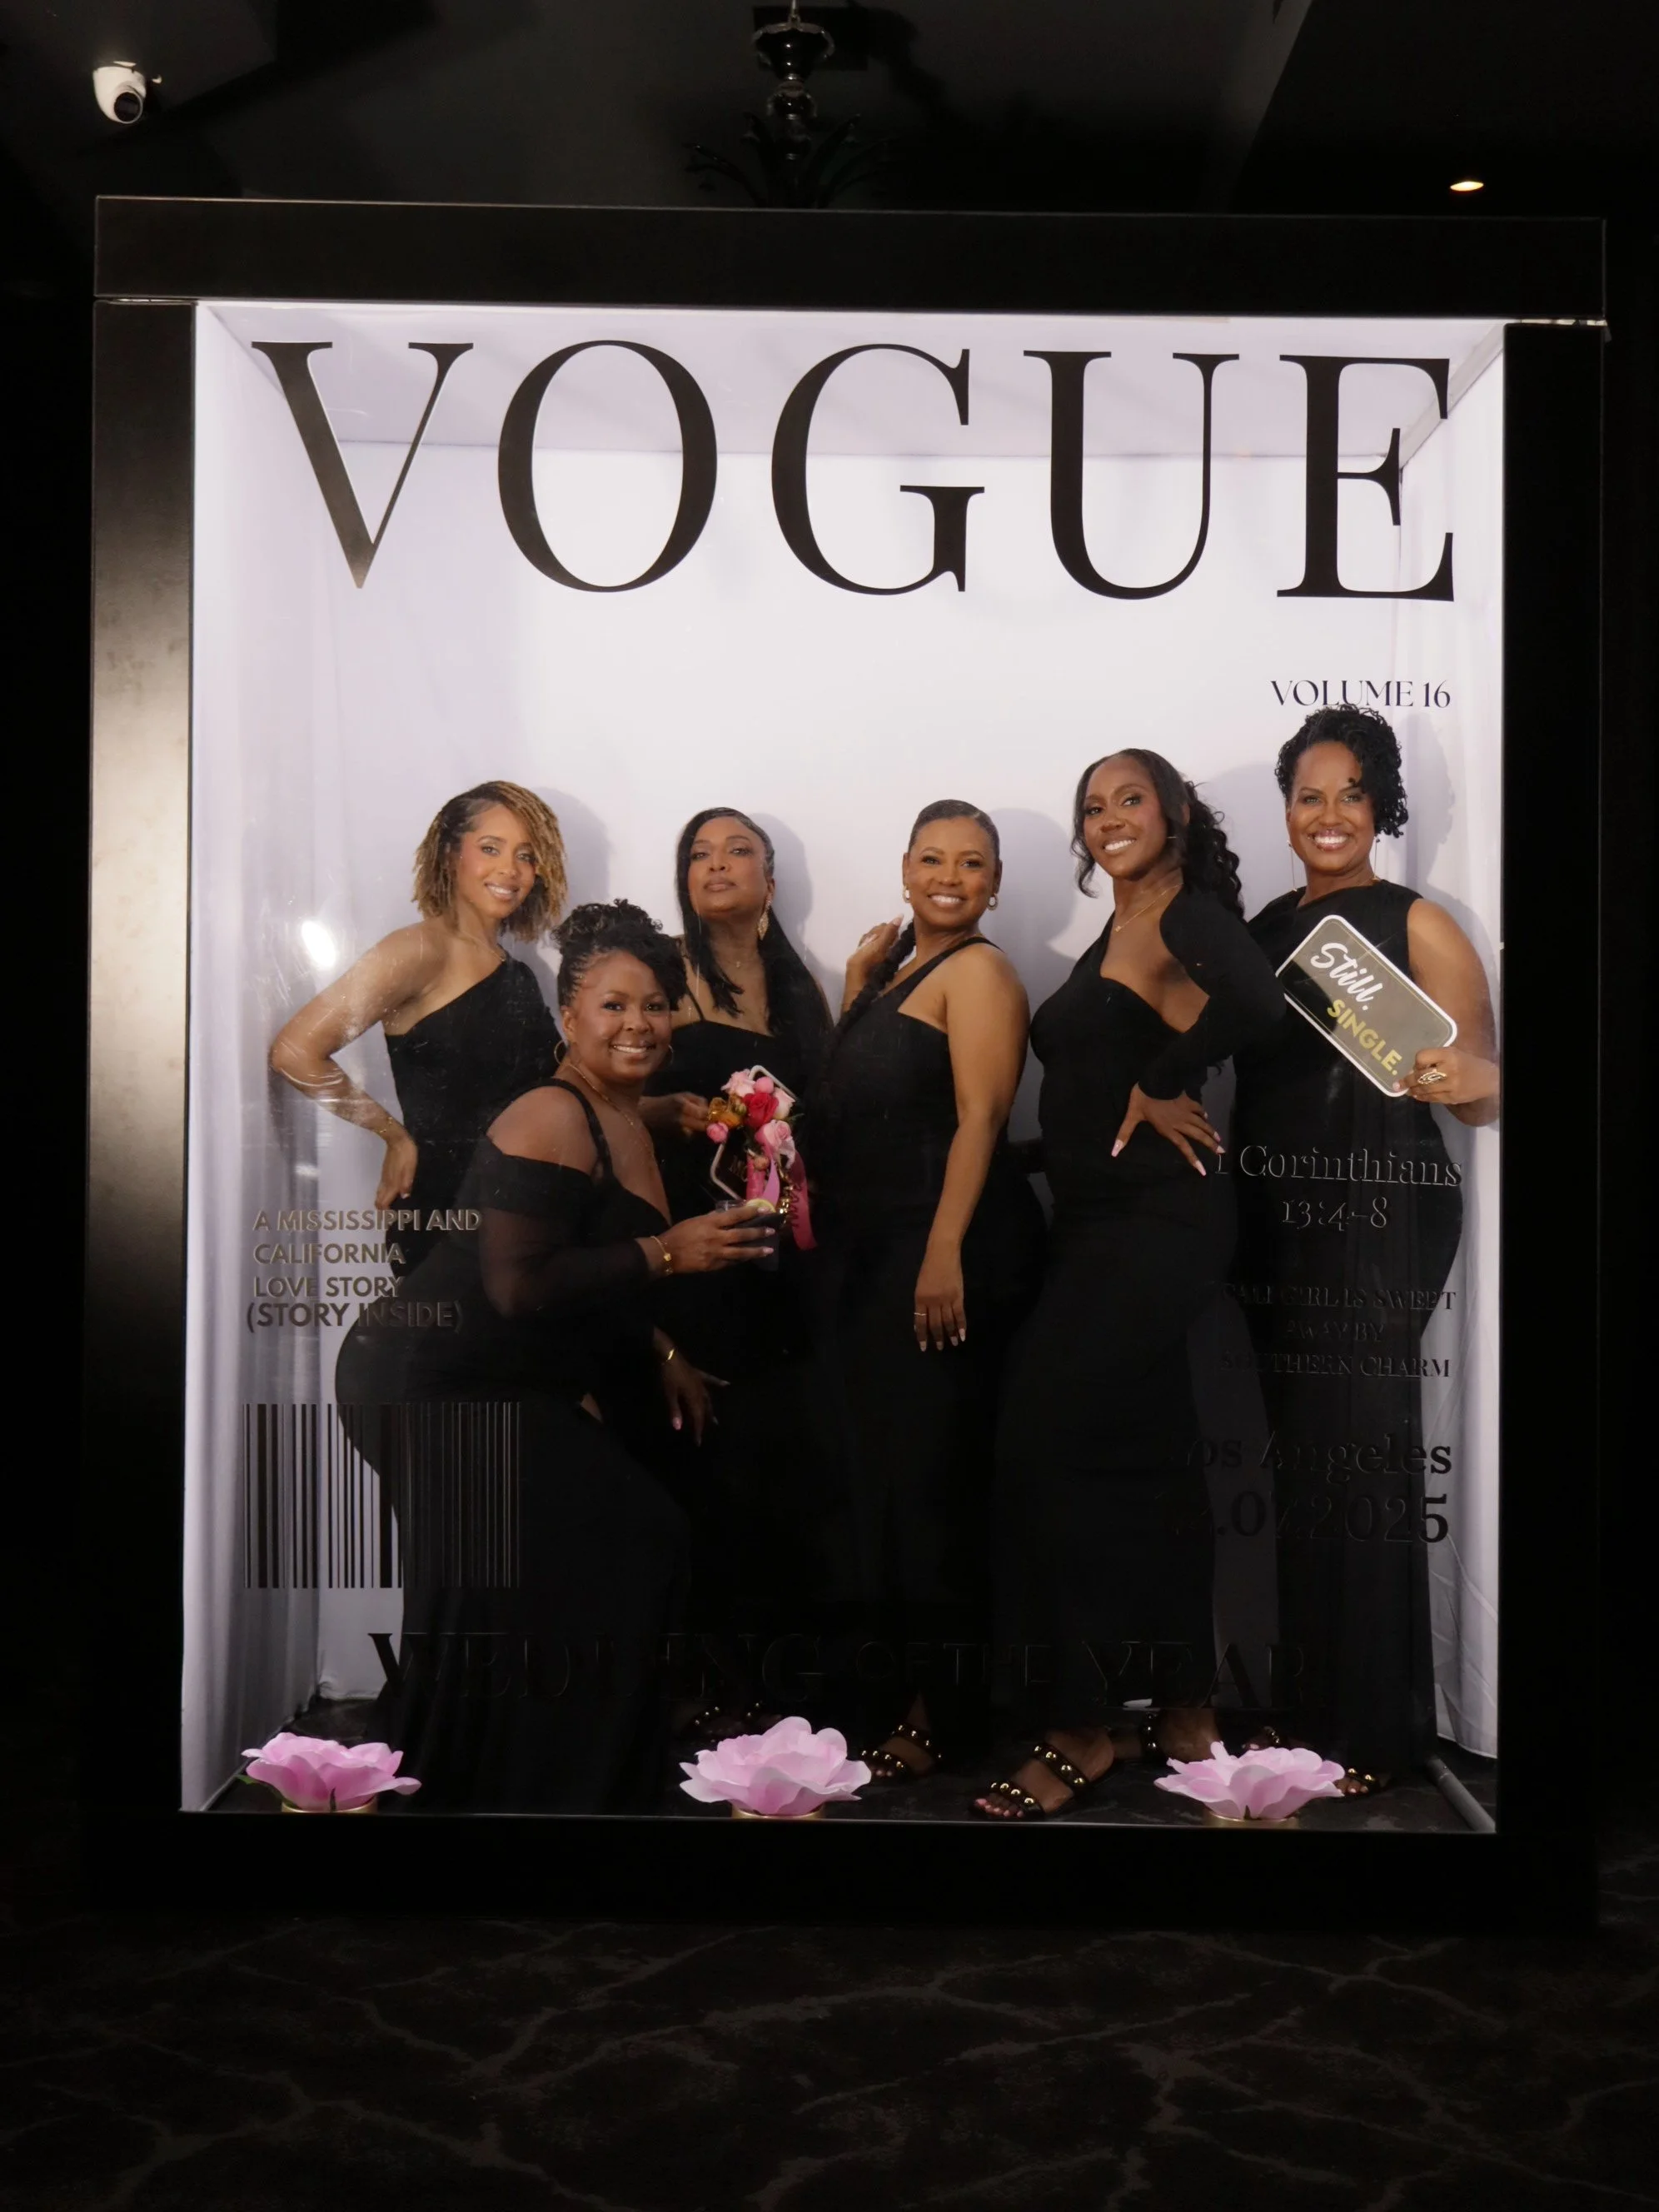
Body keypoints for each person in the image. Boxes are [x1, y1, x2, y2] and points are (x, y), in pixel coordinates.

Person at [332, 901, 775, 1812]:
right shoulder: (550, 1112)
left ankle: (533, 1784)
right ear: (569, 1015)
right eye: (613, 1006)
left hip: (499, 1376)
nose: (638, 1025)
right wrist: (669, 1253)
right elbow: (517, 1288)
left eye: (655, 1006)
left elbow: (578, 1262)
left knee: (537, 1569)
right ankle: (527, 1784)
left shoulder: (628, 1116)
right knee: (627, 1537)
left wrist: (659, 1350)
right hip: (426, 1374)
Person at [976, 750, 1283, 1821]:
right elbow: (1089, 1091)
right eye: (1093, 805)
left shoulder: (1186, 914)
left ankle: (1079, 1727)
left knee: (1034, 1444)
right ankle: (1187, 1704)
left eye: (1130, 799)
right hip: (1097, 1223)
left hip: (1159, 1221)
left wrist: (1162, 1081)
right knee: (1150, 1459)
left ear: (1178, 813)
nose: (1109, 817)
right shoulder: (1116, 930)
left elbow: (1259, 1000)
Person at [1231, 705, 1498, 1794]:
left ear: (1380, 807)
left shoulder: (1413, 920)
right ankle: (1309, 1716)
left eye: (1351, 795)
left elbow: (1485, 1078)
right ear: (1287, 809)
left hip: (1382, 1216)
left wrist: (1456, 1072)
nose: (1329, 815)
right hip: (1278, 1220)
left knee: (1367, 1462)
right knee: (1305, 1468)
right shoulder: (1259, 930)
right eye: (1309, 794)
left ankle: (1376, 1737)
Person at [813, 801, 1045, 1781]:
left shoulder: (982, 971)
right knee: (889, 1486)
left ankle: (947, 1710)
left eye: (974, 863)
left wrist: (944, 1249)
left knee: (935, 1485)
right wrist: (859, 987)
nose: (951, 876)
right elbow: (849, 1103)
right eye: (934, 858)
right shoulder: (892, 975)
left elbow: (981, 1117)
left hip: (943, 1250)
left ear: (994, 883)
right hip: (874, 1259)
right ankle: (902, 1687)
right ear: (905, 868)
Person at [641, 810, 834, 1731]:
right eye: (698, 853)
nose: (716, 865)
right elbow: (598, 1098)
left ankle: (774, 1695)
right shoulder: (664, 979)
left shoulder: (800, 989)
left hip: (783, 1266)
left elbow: (822, 1115)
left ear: (769, 877)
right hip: (696, 1261)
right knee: (705, 1475)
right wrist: (665, 1111)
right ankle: (706, 1690)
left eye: (738, 851)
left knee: (778, 1473)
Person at [271, 781, 565, 1277]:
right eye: (490, 848)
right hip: (444, 1217)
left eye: (526, 856)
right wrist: (393, 1136)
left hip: (520, 1216)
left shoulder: (521, 974)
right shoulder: (419, 950)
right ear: (452, 854)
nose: (510, 870)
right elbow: (295, 1051)